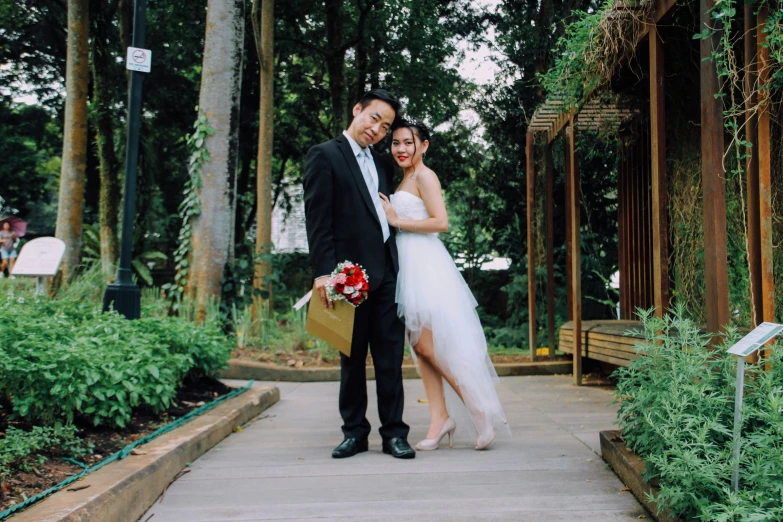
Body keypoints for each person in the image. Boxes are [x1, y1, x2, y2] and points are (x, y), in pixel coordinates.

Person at [379, 118, 508, 451]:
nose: (401, 149)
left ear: (424, 145)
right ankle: (439, 419)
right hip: (406, 263)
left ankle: (477, 408)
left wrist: (396, 220)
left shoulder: (425, 175)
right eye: (395, 143)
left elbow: (441, 222)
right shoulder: (405, 177)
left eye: (408, 142)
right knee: (420, 350)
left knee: (426, 346)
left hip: (424, 263)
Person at [302, 89, 415, 459]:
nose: (377, 129)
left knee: (389, 358)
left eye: (384, 126)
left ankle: (394, 434)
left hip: (386, 275)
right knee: (351, 359)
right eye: (373, 118)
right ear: (357, 111)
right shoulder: (324, 155)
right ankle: (354, 432)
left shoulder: (382, 164)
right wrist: (323, 274)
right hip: (347, 277)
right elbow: (318, 222)